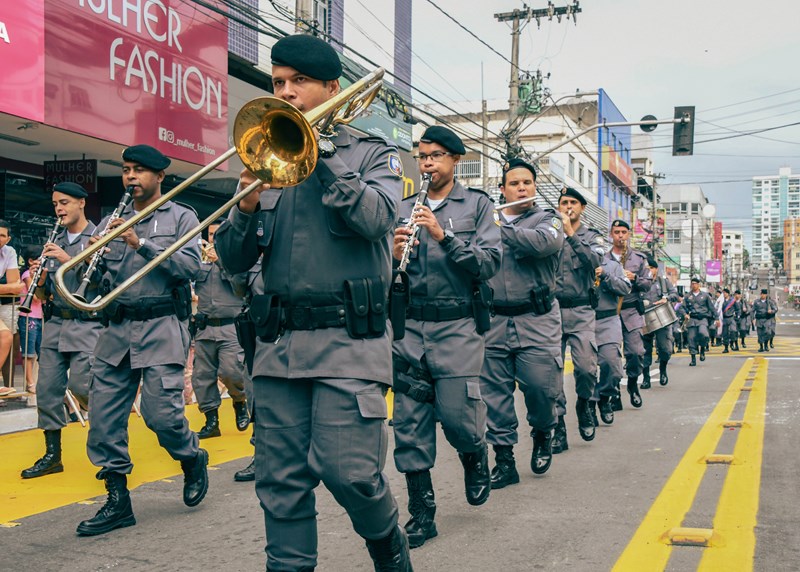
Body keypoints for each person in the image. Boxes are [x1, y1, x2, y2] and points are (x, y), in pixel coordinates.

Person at [214, 34, 412, 571]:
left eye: (298, 82)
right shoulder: (267, 156)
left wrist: (322, 157)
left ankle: (387, 540)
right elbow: (233, 262)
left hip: (349, 342)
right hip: (279, 346)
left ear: (332, 88)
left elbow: (375, 219)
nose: (287, 93)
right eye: (278, 83)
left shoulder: (374, 154)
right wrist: (247, 202)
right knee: (279, 482)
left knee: (350, 472)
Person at [76, 145, 208, 537]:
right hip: (117, 331)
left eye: (139, 171)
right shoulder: (111, 221)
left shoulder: (182, 216)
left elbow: (190, 268)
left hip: (162, 325)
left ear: (159, 177)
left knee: (162, 415)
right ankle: (118, 500)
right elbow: (103, 282)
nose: (131, 177)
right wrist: (91, 260)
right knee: (102, 419)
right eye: (126, 170)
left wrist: (140, 243)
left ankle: (191, 456)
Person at [391, 125, 500, 549]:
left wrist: (443, 235)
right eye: (422, 156)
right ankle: (422, 511)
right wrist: (393, 255)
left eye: (436, 155)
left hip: (457, 326)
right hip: (410, 326)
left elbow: (488, 263)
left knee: (458, 416)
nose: (428, 163)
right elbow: (381, 271)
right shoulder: (401, 206)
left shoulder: (477, 205)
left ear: (455, 159)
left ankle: (474, 455)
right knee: (409, 424)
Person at [479, 158, 563, 489]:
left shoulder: (548, 219)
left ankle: (543, 432)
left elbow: (544, 243)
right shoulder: (485, 223)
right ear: (503, 189)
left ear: (535, 187)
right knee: (494, 396)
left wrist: (499, 226)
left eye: (527, 182)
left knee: (542, 389)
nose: (521, 188)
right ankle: (504, 459)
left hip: (537, 319)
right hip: (493, 319)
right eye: (514, 183)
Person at [20, 183, 102, 478]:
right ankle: (52, 455)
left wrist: (68, 261)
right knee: (47, 390)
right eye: (56, 204)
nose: (59, 209)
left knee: (83, 386)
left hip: (86, 323)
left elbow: (104, 283)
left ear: (81, 203)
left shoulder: (98, 237)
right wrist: (39, 283)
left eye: (65, 202)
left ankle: (108, 443)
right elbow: (43, 297)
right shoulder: (53, 240)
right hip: (55, 323)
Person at [552, 187, 604, 453]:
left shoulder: (591, 236)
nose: (568, 206)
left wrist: (570, 234)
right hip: (551, 311)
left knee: (586, 367)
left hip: (582, 310)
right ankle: (558, 426)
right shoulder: (549, 231)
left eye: (573, 202)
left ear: (582, 208)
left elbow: (594, 261)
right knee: (552, 374)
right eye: (564, 202)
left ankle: (585, 403)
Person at [191, 222, 249, 438]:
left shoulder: (237, 257)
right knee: (202, 377)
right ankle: (211, 421)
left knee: (231, 371)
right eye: (211, 234)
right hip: (204, 326)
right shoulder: (201, 259)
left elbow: (242, 284)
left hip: (230, 326)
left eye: (217, 234)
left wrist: (222, 262)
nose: (213, 239)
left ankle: (240, 402)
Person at [604, 220, 651, 409]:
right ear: (611, 234)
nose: (620, 236)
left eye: (624, 232)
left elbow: (648, 284)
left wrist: (635, 278)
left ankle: (632, 383)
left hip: (631, 310)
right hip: (609, 312)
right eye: (616, 232)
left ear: (629, 234)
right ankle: (614, 392)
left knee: (635, 352)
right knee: (611, 357)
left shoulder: (638, 259)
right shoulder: (603, 257)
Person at [592, 258, 631, 425]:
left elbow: (625, 288)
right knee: (585, 370)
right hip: (584, 320)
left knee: (613, 365)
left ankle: (605, 396)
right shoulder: (574, 261)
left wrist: (606, 275)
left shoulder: (613, 266)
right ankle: (589, 404)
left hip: (608, 319)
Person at [640, 256, 678, 388]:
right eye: (647, 268)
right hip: (644, 320)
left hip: (662, 319)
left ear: (656, 269)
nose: (649, 270)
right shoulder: (639, 282)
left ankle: (663, 370)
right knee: (644, 350)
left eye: (651, 268)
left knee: (665, 348)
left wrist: (666, 298)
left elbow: (675, 294)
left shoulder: (663, 282)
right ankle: (646, 378)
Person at [18, 245, 44, 394]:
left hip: (38, 316)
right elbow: (35, 296)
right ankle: (30, 383)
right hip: (28, 317)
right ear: (30, 261)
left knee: (38, 352)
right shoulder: (28, 274)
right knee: (28, 353)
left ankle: (35, 380)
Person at [0, 219, 23, 391]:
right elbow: (12, 285)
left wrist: (11, 287)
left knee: (7, 338)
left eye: (2, 235)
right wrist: (9, 287)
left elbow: (16, 287)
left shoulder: (9, 252)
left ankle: (7, 388)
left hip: (6, 305)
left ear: (8, 239)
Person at [683, 277, 717, 366]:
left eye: (695, 283)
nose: (693, 285)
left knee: (704, 334)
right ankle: (693, 358)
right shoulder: (687, 296)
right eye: (692, 283)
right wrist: (685, 314)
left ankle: (702, 348)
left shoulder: (705, 296)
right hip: (692, 319)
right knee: (691, 338)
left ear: (699, 285)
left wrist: (716, 318)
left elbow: (711, 307)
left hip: (702, 319)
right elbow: (682, 307)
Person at [720, 288, 740, 353]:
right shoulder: (721, 301)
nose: (724, 294)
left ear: (728, 293)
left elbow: (738, 309)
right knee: (725, 333)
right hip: (724, 318)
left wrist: (737, 316)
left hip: (731, 318)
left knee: (733, 331)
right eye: (723, 293)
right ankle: (726, 347)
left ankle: (732, 342)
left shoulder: (732, 301)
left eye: (725, 293)